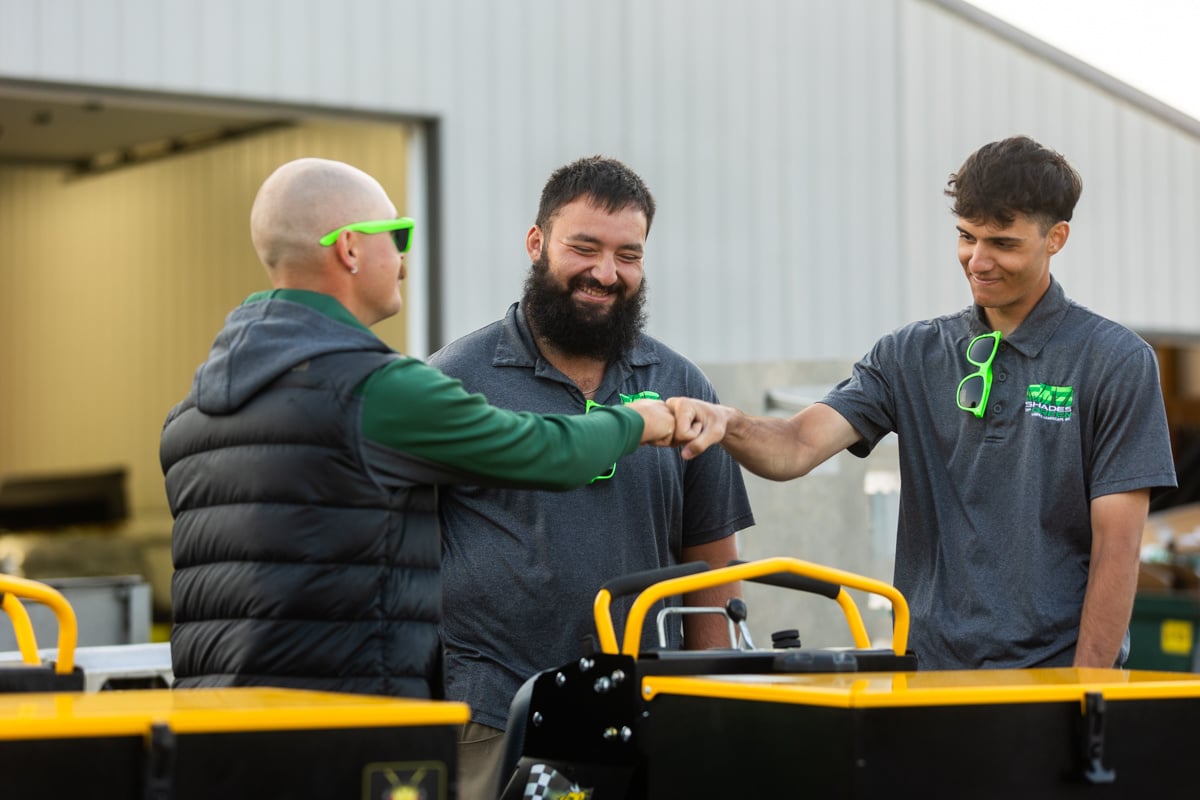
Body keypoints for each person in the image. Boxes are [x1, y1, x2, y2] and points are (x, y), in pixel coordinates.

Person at [160, 157, 675, 700]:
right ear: (351, 248)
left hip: (211, 725)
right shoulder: (376, 390)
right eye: (397, 235)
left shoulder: (191, 414)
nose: (403, 263)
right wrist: (639, 419)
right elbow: (546, 451)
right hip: (339, 731)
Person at [669, 135, 1176, 672]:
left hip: (1047, 685)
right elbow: (796, 447)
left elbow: (1116, 551)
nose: (977, 260)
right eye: (966, 237)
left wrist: (1084, 697)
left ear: (1056, 237)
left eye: (1002, 243)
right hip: (927, 679)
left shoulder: (1115, 361)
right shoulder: (910, 355)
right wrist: (726, 422)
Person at [429, 155, 755, 798]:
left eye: (628, 255)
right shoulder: (457, 380)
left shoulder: (682, 386)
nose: (606, 274)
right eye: (585, 248)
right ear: (536, 243)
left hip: (641, 719)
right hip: (493, 719)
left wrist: (704, 707)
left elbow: (712, 566)